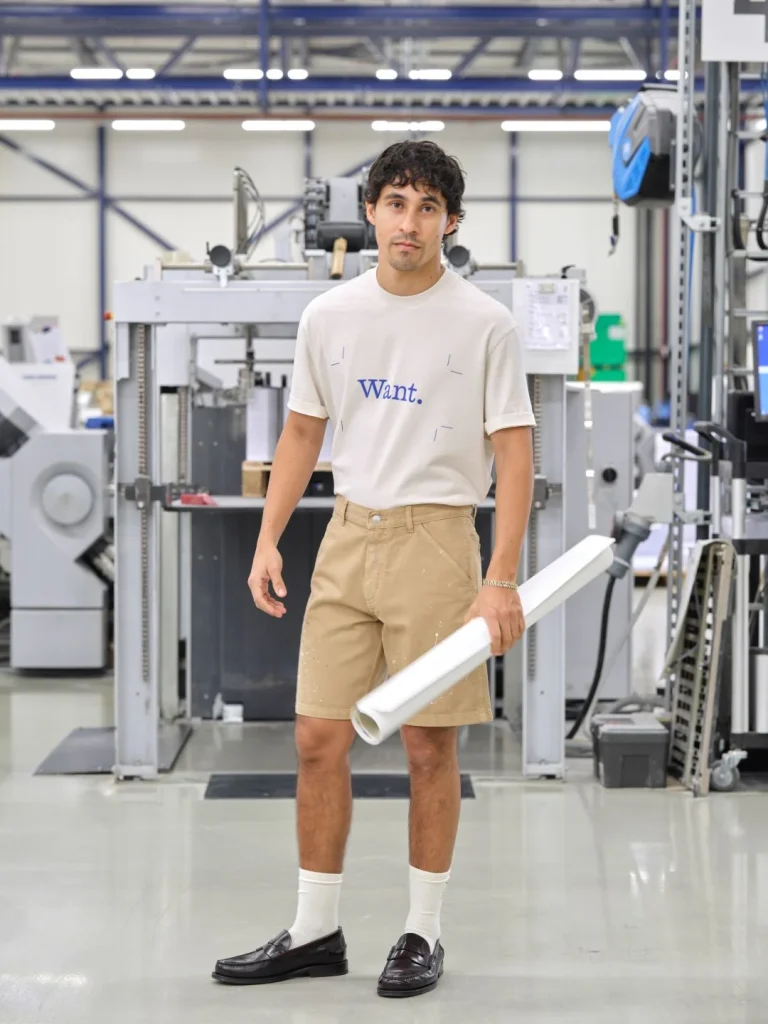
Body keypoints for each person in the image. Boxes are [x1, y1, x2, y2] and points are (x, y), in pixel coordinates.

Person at [213, 140, 535, 998]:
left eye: (429, 207)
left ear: (451, 223)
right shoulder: (330, 316)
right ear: (371, 213)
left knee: (431, 746)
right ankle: (316, 929)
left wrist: (499, 577)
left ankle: (421, 934)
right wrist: (269, 537)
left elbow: (514, 453)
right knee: (317, 736)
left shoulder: (485, 323)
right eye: (397, 203)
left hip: (438, 541)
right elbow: (301, 434)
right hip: (348, 538)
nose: (410, 221)